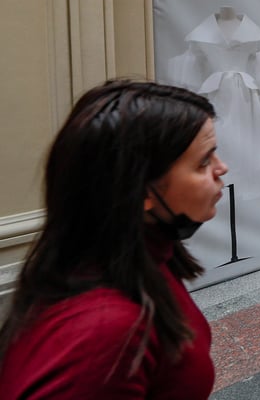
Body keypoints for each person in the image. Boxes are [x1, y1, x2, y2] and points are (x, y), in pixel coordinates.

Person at [0, 80, 227, 398]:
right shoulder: (102, 333)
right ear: (141, 189)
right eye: (203, 161)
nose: (222, 168)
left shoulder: (139, 257)